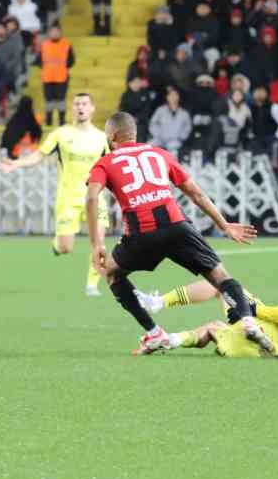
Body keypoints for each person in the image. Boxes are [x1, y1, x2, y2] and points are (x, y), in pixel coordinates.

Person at [84, 111, 261, 355]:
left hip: (143, 234)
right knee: (220, 277)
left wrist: (97, 244)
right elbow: (195, 193)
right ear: (134, 134)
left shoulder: (105, 162)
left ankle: (154, 333)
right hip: (178, 227)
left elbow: (92, 198)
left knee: (112, 273)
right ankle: (248, 322)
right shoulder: (160, 154)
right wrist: (224, 225)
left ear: (112, 136)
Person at [0, 91, 111, 296]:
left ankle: (92, 285)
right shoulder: (61, 134)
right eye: (77, 104)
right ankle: (57, 246)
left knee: (99, 242)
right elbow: (39, 155)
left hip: (95, 198)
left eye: (85, 104)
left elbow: (111, 167)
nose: (81, 107)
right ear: (72, 108)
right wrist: (17, 163)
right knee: (66, 247)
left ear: (92, 108)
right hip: (68, 198)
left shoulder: (102, 138)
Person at [135, 269, 278, 359]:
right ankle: (169, 340)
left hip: (259, 333)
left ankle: (158, 302)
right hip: (256, 349)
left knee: (218, 284)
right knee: (213, 327)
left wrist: (255, 310)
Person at [38, 24, 74, 127]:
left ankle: (62, 122)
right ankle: (48, 123)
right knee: (48, 101)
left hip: (62, 78)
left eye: (56, 31)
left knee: (61, 101)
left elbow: (71, 60)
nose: (54, 33)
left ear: (60, 33)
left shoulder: (66, 44)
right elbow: (39, 59)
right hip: (47, 78)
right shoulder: (44, 44)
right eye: (52, 31)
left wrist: (62, 67)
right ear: (49, 33)